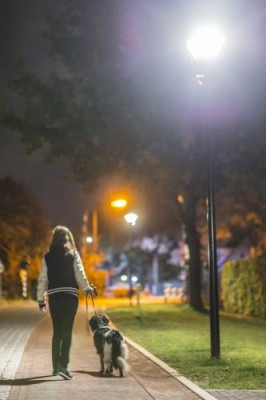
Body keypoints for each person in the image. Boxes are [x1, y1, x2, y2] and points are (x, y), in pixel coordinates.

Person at [37, 225, 97, 380]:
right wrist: (87, 288)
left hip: (55, 297)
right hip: (70, 296)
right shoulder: (73, 254)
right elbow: (80, 274)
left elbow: (42, 280)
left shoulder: (47, 257)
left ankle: (56, 367)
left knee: (57, 331)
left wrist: (41, 300)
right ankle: (64, 365)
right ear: (68, 238)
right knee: (67, 331)